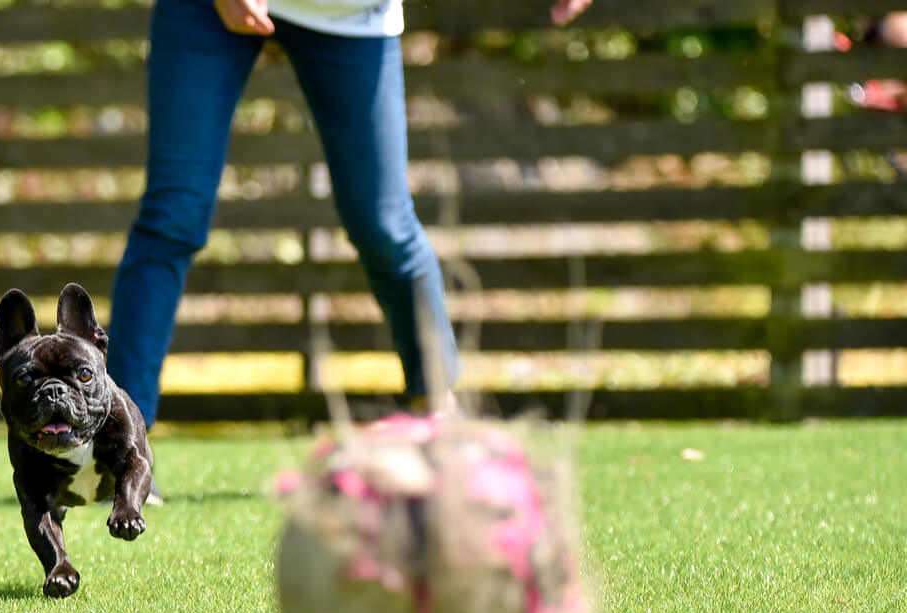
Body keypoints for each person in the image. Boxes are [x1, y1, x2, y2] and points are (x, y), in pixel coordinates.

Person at [106, 0, 595, 503]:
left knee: (383, 224)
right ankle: (120, 453)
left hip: (349, 14)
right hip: (205, 11)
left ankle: (440, 421)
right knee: (173, 217)